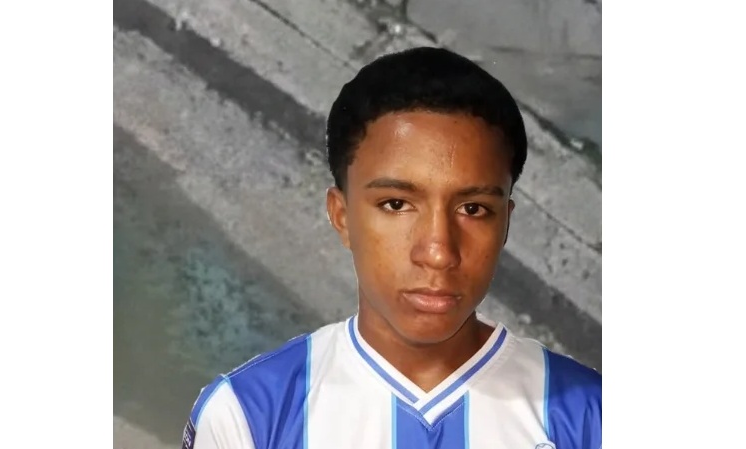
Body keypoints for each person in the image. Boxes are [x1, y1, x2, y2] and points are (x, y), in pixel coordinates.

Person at [181, 47, 601, 449]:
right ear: (342, 216)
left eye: (473, 209)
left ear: (505, 221)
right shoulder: (246, 417)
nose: (438, 252)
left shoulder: (593, 416)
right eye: (396, 205)